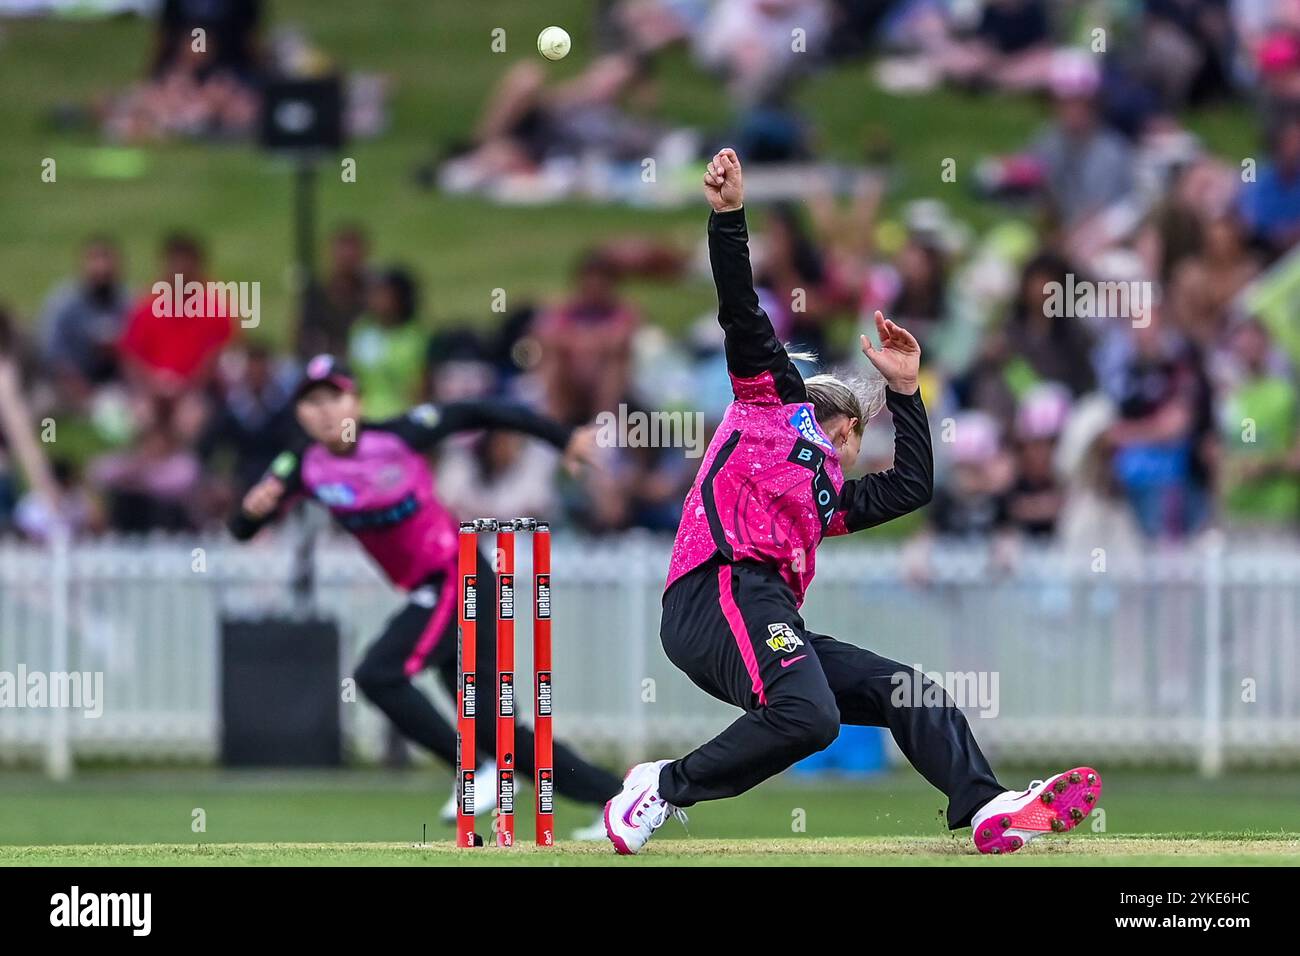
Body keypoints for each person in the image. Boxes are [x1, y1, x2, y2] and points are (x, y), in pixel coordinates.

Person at [603, 149, 1102, 856]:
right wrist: (727, 217)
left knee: (909, 692)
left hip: (764, 607)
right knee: (809, 717)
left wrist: (907, 390)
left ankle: (986, 805)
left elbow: (912, 488)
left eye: (859, 434)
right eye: (849, 430)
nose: (850, 443)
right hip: (713, 592)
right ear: (829, 417)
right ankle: (661, 786)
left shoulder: (828, 495)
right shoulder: (770, 403)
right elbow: (740, 310)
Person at [228, 355, 621, 839]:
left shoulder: (399, 435)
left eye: (335, 397)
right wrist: (250, 513)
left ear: (357, 402)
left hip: (459, 574)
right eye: (312, 402)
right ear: (300, 415)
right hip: (438, 588)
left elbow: (481, 411)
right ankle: (620, 800)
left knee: (379, 674)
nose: (325, 411)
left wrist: (564, 438)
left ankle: (474, 771)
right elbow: (244, 527)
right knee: (502, 734)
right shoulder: (302, 466)